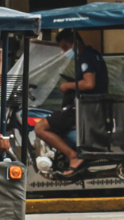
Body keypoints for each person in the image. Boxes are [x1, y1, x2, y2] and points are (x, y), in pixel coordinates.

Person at [34, 27, 106, 179]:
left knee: (40, 128)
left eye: (66, 48)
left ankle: (73, 155)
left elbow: (89, 84)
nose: (65, 52)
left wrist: (67, 86)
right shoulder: (94, 54)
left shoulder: (85, 57)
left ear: (76, 42)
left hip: (83, 107)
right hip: (94, 105)